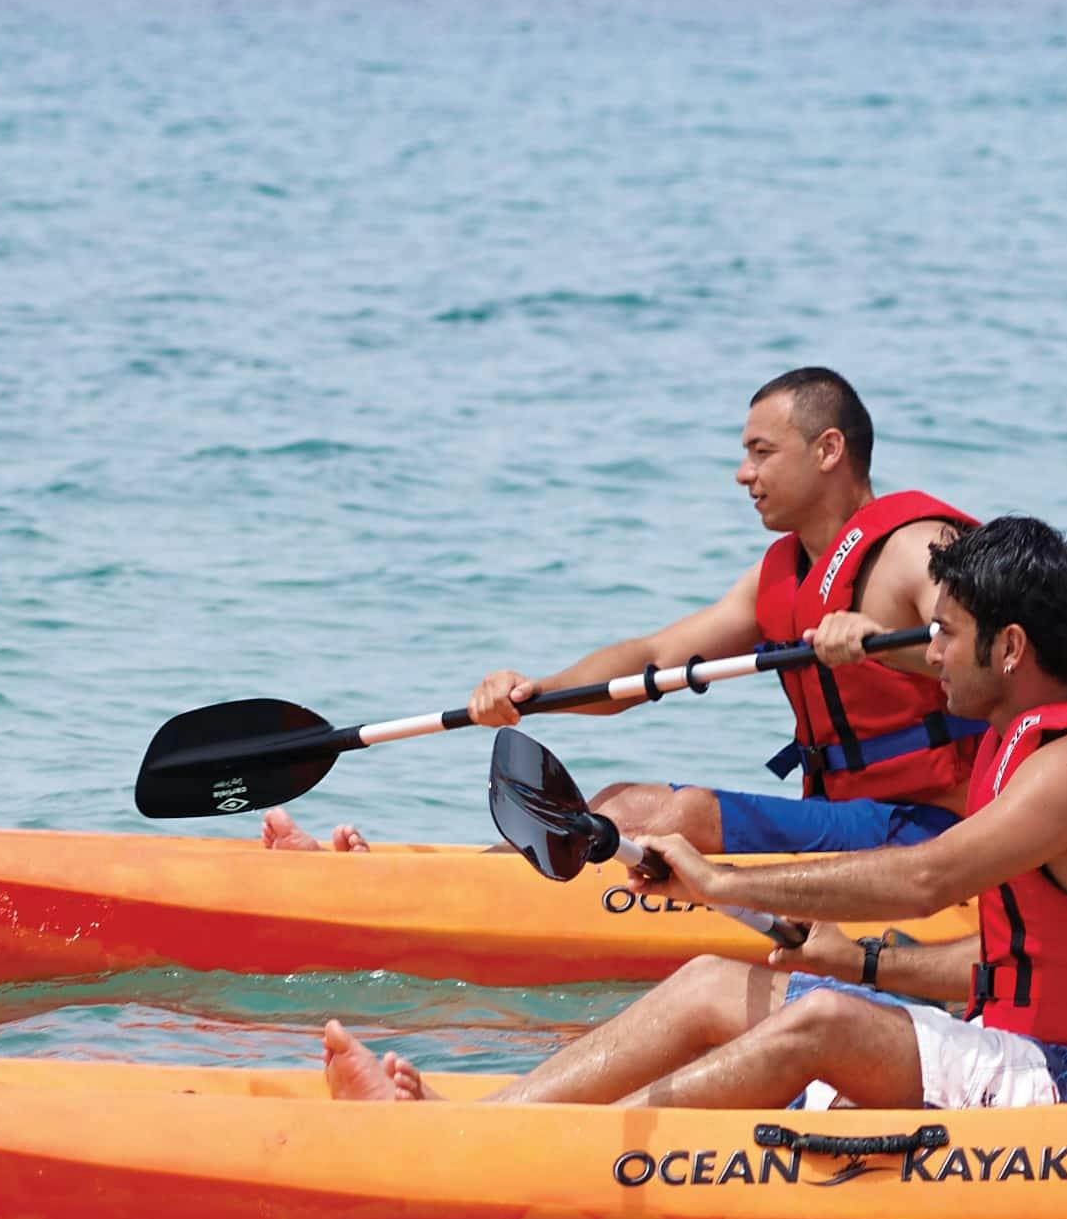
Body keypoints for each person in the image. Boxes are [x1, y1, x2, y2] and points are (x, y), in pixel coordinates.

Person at [322, 515, 1067, 1111]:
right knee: (711, 984)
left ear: (1008, 648)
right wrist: (866, 958)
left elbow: (929, 876)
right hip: (1016, 1051)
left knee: (823, 1024)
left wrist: (723, 877)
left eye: (945, 637)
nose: (929, 658)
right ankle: (492, 1122)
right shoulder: (1024, 740)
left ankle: (519, 1162)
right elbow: (1018, 957)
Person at [265, 367, 982, 856]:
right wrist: (532, 695)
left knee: (690, 813)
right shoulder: (782, 574)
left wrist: (883, 644)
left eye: (762, 452)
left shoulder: (919, 548)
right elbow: (651, 660)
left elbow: (1005, 661)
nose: (743, 473)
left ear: (829, 449)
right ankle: (420, 882)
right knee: (620, 801)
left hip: (940, 830)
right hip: (848, 819)